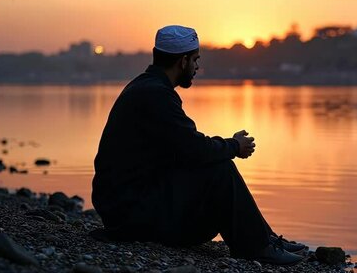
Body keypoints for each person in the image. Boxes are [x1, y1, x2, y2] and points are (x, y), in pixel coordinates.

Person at [91, 25, 306, 265]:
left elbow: (183, 150)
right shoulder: (156, 95)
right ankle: (256, 248)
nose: (197, 67)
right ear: (183, 61)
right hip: (130, 216)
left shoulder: (146, 87)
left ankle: (265, 238)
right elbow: (194, 149)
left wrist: (224, 148)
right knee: (220, 170)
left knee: (214, 166)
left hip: (128, 206)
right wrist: (234, 146)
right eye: (195, 60)